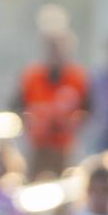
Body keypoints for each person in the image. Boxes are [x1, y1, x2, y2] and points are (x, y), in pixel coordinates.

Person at [15, 22, 91, 179]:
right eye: (50, 48)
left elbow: (89, 109)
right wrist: (29, 124)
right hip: (37, 144)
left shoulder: (77, 77)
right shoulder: (31, 76)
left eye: (58, 48)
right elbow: (17, 105)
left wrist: (74, 124)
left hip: (65, 145)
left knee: (65, 184)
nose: (54, 53)